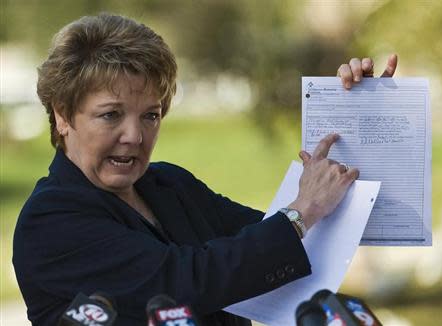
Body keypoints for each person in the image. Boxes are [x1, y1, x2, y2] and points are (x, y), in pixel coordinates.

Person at [12, 13, 397, 326]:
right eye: (111, 115)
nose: (135, 135)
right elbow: (185, 282)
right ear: (63, 116)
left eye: (151, 115)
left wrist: (361, 125)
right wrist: (302, 211)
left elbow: (295, 241)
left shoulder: (169, 184)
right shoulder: (49, 220)